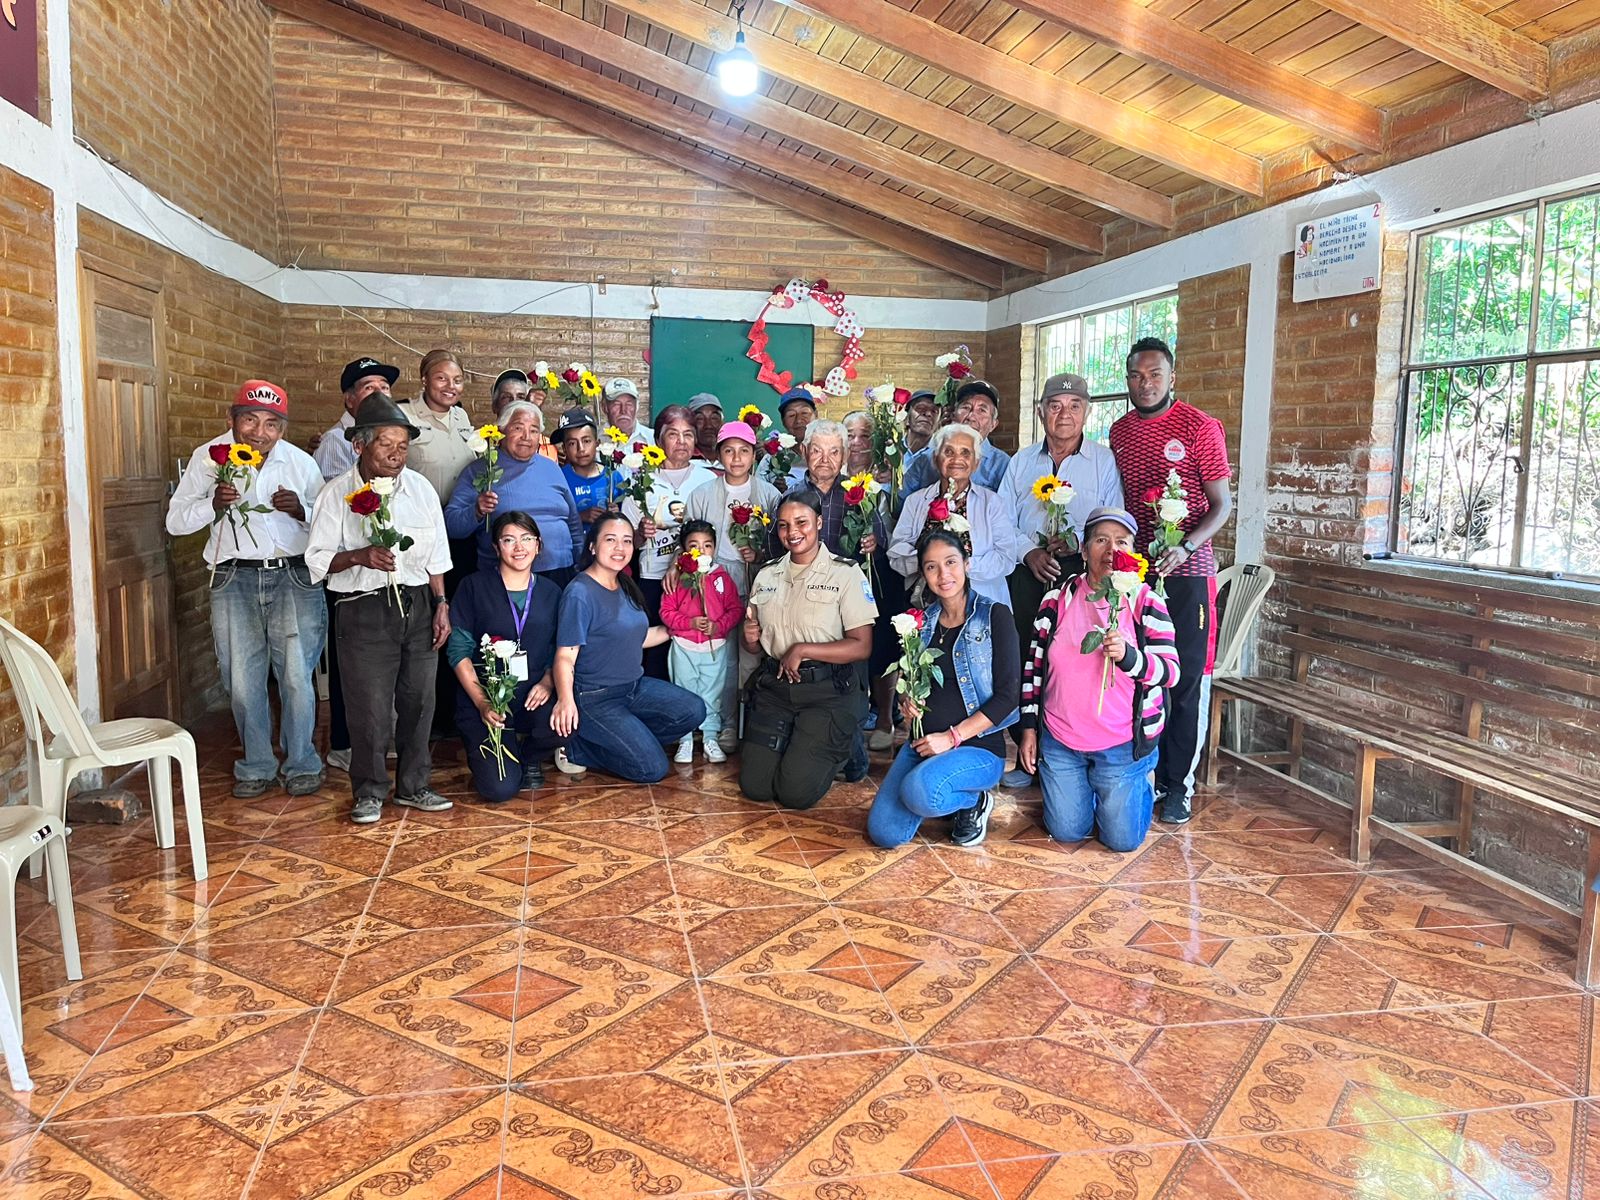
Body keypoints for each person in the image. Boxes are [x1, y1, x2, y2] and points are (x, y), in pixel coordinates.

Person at [165, 380, 327, 798]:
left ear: (283, 428)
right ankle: (256, 764)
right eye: (250, 420)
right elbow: (175, 522)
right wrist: (213, 504)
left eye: (271, 424)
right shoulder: (209, 458)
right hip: (233, 576)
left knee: (296, 675)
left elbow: (330, 525)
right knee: (241, 677)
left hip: (293, 576)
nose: (259, 432)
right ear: (231, 419)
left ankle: (302, 762)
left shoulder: (300, 463)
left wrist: (302, 510)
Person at [305, 393, 454, 824]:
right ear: (359, 445)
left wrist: (441, 604)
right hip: (363, 609)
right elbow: (316, 561)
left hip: (419, 604)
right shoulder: (337, 494)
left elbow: (436, 557)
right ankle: (369, 791)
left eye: (403, 445)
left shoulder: (420, 489)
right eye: (386, 444)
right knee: (368, 708)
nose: (396, 453)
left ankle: (414, 785)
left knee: (419, 700)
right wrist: (359, 556)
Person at [1110, 336, 1233, 825]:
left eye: (1155, 374)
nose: (1146, 383)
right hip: (1137, 575)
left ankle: (1178, 784)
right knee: (1140, 673)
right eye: (1137, 376)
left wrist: (1185, 547)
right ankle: (1146, 771)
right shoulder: (1120, 432)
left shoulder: (1200, 427)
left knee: (1183, 679)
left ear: (1172, 377)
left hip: (1189, 574)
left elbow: (1221, 506)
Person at [1018, 507, 1181, 852]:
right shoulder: (1056, 601)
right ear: (1084, 549)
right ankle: (1088, 790)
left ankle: (1135, 780)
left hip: (1121, 744)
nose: (1111, 550)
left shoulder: (1145, 602)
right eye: (1101, 540)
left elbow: (1171, 672)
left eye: (1122, 542)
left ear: (1133, 552)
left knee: (1122, 841)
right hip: (1061, 740)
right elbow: (1033, 669)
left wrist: (1129, 657)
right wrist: (1029, 729)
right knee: (1067, 832)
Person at [997, 371, 1123, 789]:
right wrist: (1028, 552)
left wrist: (1080, 546)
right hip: (1028, 572)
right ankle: (1026, 752)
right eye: (1055, 406)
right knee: (1025, 656)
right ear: (1041, 412)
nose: (1064, 414)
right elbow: (1001, 521)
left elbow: (1114, 520)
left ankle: (1065, 751)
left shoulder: (1102, 461)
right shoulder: (1021, 461)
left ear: (1087, 413)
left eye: (1074, 406)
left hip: (1081, 575)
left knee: (1069, 658)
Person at [868, 531, 1019, 849]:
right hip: (923, 745)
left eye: (950, 562)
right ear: (923, 574)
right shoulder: (922, 622)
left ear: (966, 563)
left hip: (977, 749)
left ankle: (974, 801)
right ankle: (941, 788)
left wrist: (951, 738)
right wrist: (907, 700)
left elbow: (1008, 697)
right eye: (931, 567)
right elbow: (909, 681)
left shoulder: (994, 616)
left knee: (920, 791)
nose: (943, 574)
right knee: (885, 833)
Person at [740, 490, 877, 810]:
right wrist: (748, 638)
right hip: (777, 690)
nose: (792, 532)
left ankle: (849, 743)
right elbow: (755, 645)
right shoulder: (767, 574)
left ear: (818, 522)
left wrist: (803, 649)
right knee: (755, 787)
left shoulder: (845, 573)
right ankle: (800, 741)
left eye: (801, 522)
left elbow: (862, 646)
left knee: (795, 793)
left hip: (827, 691)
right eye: (784, 525)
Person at [552, 514, 707, 782]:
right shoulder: (579, 593)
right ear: (592, 546)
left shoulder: (624, 584)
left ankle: (630, 741)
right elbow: (565, 656)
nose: (620, 548)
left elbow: (637, 637)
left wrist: (683, 626)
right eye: (610, 540)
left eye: (626, 541)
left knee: (694, 710)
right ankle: (577, 748)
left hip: (633, 688)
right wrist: (566, 701)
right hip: (595, 698)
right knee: (652, 769)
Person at [447, 512, 565, 802]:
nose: (519, 547)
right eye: (509, 540)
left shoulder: (552, 591)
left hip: (532, 694)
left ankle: (529, 756)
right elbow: (458, 650)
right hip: (486, 698)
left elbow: (560, 648)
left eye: (527, 539)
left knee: (565, 722)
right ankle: (499, 748)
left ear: (538, 545)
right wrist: (482, 702)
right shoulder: (473, 587)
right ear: (496, 547)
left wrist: (548, 681)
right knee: (499, 790)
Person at [683, 421, 782, 743]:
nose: (736, 458)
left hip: (756, 582)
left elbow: (783, 545)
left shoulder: (770, 495)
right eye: (728, 451)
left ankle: (751, 723)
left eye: (744, 451)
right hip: (715, 585)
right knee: (721, 657)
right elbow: (688, 542)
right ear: (719, 454)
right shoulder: (702, 494)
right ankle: (723, 722)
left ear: (754, 455)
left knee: (752, 653)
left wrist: (760, 553)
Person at [623, 405, 718, 679]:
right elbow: (629, 542)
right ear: (658, 439)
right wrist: (640, 533)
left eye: (688, 434)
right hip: (653, 578)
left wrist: (679, 562)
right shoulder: (642, 481)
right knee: (655, 652)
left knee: (691, 647)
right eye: (673, 434)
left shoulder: (706, 479)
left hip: (697, 580)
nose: (682, 441)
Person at [444, 400, 583, 584]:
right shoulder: (481, 470)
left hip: (561, 571)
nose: (526, 436)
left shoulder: (552, 468)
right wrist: (476, 511)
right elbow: (452, 525)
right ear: (501, 430)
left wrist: (581, 565)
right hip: (505, 577)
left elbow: (573, 523)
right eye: (518, 428)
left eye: (534, 430)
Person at [889, 423, 1022, 607]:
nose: (957, 459)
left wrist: (960, 567)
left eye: (965, 453)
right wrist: (928, 564)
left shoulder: (992, 502)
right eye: (948, 452)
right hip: (926, 604)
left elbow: (1005, 558)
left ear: (976, 463)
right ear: (936, 459)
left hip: (981, 603)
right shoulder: (916, 501)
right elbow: (896, 553)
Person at [659, 520, 742, 765]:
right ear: (684, 550)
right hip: (684, 647)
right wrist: (690, 623)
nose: (701, 550)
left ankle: (710, 737)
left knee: (712, 695)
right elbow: (666, 612)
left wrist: (718, 626)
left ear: (714, 548)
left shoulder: (721, 577)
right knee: (683, 694)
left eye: (707, 545)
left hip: (714, 647)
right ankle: (685, 739)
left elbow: (735, 609)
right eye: (694, 545)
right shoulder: (678, 578)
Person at [901, 381, 1011, 497]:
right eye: (966, 407)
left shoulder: (1003, 465)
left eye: (982, 410)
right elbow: (899, 503)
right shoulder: (927, 459)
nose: (971, 417)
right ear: (953, 415)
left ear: (993, 424)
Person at [398, 349, 479, 505]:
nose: (451, 386)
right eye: (441, 378)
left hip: (461, 512)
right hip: (421, 511)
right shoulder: (404, 415)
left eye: (457, 380)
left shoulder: (461, 416)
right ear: (425, 380)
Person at [316, 357, 398, 482]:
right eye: (369, 387)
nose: (379, 393)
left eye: (384, 387)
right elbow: (340, 491)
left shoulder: (394, 434)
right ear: (350, 399)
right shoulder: (335, 441)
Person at [556, 408, 620, 531]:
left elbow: (629, 518)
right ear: (564, 449)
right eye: (572, 443)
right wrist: (579, 517)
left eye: (586, 441)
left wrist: (617, 514)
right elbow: (553, 519)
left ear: (597, 443)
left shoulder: (613, 477)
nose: (581, 449)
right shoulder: (559, 478)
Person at [759, 386, 815, 491]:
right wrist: (774, 492)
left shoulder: (829, 453)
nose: (799, 420)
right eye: (791, 415)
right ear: (783, 421)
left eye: (804, 413)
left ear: (816, 415)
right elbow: (759, 493)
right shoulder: (771, 457)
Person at [602, 377, 654, 447]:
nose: (623, 410)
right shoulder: (594, 439)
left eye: (629, 404)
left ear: (637, 406)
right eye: (617, 404)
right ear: (604, 407)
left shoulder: (652, 439)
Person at [687, 393, 724, 462]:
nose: (708, 426)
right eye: (700, 419)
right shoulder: (682, 460)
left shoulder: (732, 459)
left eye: (714, 418)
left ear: (722, 423)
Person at [904, 389, 938, 457]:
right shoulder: (893, 446)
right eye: (920, 408)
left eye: (934, 411)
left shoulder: (940, 454)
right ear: (907, 418)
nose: (928, 414)